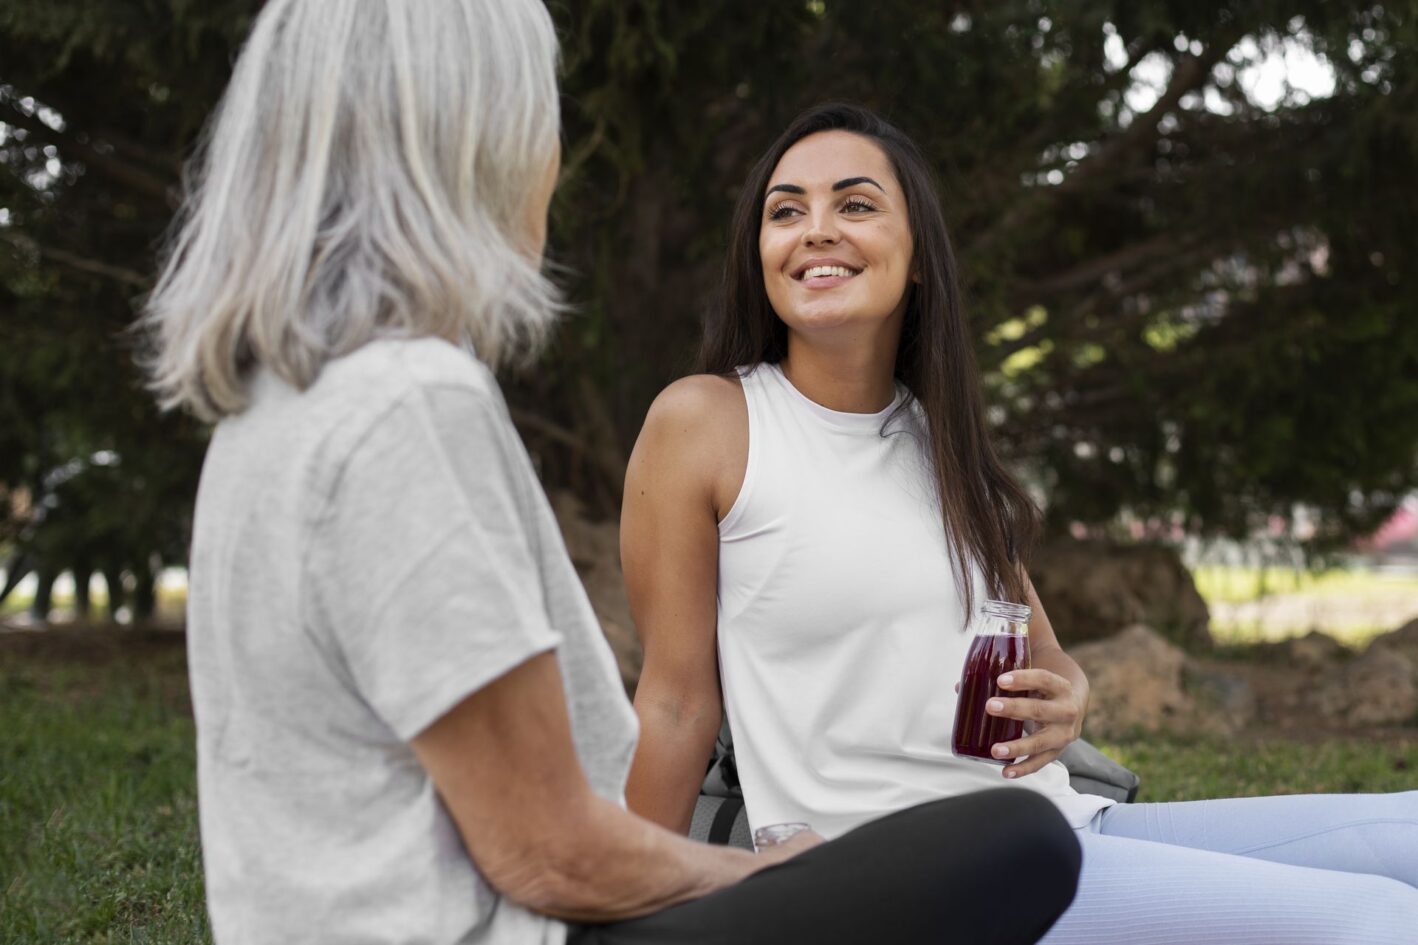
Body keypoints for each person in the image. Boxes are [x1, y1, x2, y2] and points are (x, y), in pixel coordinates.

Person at [141, 4, 1082, 943]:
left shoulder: (276, 405)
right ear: (477, 139)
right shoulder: (409, 407)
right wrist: (761, 873)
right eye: (538, 113)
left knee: (1019, 834)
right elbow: (549, 853)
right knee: (1018, 843)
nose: (551, 154)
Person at [622, 101, 1418, 945]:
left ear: (920, 255)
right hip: (915, 877)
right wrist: (624, 908)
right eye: (787, 211)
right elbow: (675, 703)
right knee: (1379, 921)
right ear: (762, 254)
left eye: (854, 204)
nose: (816, 230)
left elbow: (1042, 650)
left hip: (1049, 823)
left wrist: (1068, 693)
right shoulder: (707, 422)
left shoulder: (940, 438)